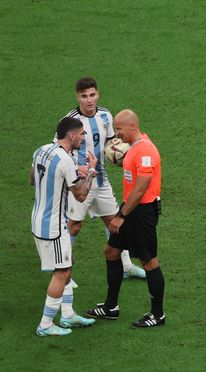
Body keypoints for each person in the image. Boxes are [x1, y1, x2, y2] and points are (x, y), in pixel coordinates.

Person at [56, 77, 146, 279]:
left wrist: (118, 155)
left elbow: (110, 143)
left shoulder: (105, 116)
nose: (88, 100)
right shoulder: (69, 121)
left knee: (115, 222)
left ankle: (126, 266)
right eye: (84, 96)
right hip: (78, 184)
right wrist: (75, 167)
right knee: (74, 226)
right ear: (77, 97)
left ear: (98, 94)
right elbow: (58, 150)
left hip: (100, 180)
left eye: (92, 95)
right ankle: (63, 273)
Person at [85, 110, 165, 328]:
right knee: (111, 252)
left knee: (149, 262)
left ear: (132, 126)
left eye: (119, 129)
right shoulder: (135, 148)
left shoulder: (146, 151)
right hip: (131, 208)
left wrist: (121, 216)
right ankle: (111, 307)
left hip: (141, 212)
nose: (116, 134)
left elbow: (141, 188)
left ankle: (157, 315)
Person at [31, 117, 98, 336]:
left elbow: (33, 178)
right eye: (81, 134)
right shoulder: (65, 161)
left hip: (37, 220)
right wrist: (89, 173)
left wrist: (69, 173)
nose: (82, 137)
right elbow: (80, 196)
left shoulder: (41, 150)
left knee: (68, 263)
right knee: (61, 272)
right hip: (54, 226)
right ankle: (46, 324)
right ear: (71, 136)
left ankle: (68, 314)